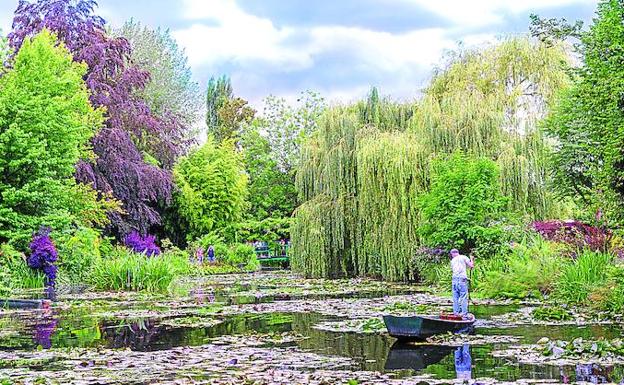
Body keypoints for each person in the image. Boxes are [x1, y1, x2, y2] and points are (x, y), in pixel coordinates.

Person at [450, 248, 474, 317]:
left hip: (454, 280)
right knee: (463, 296)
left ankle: (456, 313)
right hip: (462, 279)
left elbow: (454, 269)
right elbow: (471, 266)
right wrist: (472, 259)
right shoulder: (463, 257)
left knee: (455, 297)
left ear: (452, 254)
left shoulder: (452, 260)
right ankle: (464, 314)